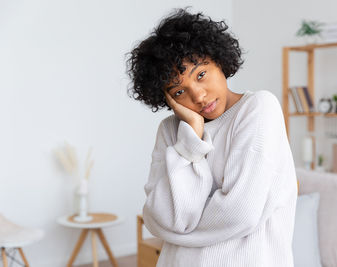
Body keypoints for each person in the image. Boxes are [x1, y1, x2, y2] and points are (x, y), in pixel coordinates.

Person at [126, 7, 298, 267]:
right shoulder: (170, 130)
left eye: (201, 75)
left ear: (219, 60)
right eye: (179, 91)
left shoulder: (258, 109)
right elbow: (156, 219)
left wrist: (178, 230)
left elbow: (241, 214)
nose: (198, 96)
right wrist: (191, 142)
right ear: (168, 98)